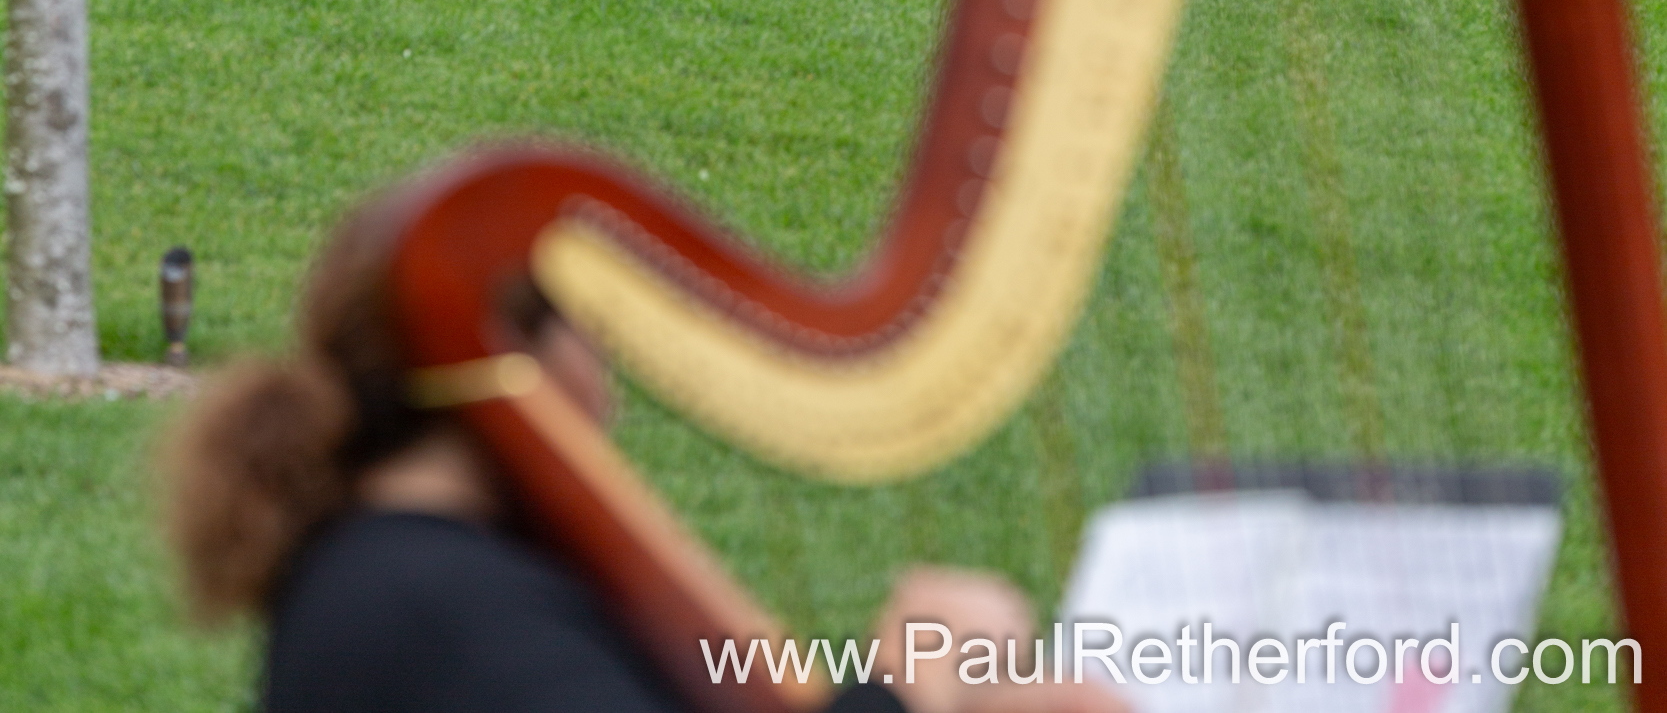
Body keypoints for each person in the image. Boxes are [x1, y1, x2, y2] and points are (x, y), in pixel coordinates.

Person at [167, 183, 1112, 713]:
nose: (610, 405)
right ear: (508, 356)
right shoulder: (436, 606)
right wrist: (907, 690)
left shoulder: (400, 573)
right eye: (597, 350)